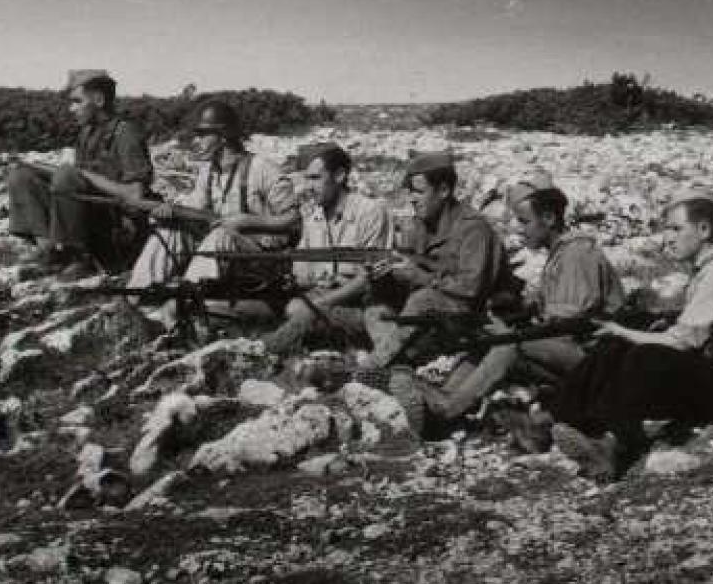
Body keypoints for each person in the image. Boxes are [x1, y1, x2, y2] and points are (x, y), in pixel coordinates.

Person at [540, 186, 713, 480]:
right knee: (615, 347)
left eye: (676, 228)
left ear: (703, 229)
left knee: (646, 355)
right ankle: (555, 420)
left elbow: (683, 342)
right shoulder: (707, 271)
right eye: (667, 229)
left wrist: (623, 331)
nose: (668, 237)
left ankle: (615, 445)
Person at [418, 180, 627, 440]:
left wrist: (515, 329)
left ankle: (446, 412)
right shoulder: (560, 254)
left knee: (509, 344)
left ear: (549, 219)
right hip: (569, 348)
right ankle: (444, 396)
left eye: (525, 221)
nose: (519, 229)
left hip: (591, 357)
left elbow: (569, 322)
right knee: (491, 337)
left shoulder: (577, 254)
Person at [124, 100, 302, 324]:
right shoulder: (208, 171)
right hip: (226, 254)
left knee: (222, 234)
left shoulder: (263, 169)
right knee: (172, 231)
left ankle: (181, 304)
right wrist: (169, 211)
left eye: (202, 134)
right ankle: (136, 300)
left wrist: (248, 221)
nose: (196, 141)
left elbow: (294, 220)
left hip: (263, 258)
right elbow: (196, 209)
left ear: (224, 136)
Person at [362, 150, 509, 370]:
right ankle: (397, 362)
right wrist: (383, 275)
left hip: (468, 317)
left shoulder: (474, 228)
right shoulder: (417, 225)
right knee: (376, 309)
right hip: (425, 315)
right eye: (410, 192)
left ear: (443, 190)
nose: (411, 199)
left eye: (419, 192)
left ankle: (371, 368)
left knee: (423, 299)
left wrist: (421, 277)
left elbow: (471, 289)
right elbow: (407, 277)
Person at [6, 70, 154, 276]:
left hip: (117, 227)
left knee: (66, 175)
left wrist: (83, 176)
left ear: (99, 100)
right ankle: (50, 250)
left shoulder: (126, 133)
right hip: (91, 218)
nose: (71, 109)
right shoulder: (87, 133)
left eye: (77, 101)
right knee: (21, 175)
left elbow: (135, 194)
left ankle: (79, 257)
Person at [260, 142, 394, 355]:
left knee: (303, 312)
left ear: (340, 176)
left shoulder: (370, 211)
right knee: (281, 307)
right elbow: (302, 274)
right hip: (325, 298)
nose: (308, 187)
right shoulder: (314, 216)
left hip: (364, 306)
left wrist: (320, 301)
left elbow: (367, 280)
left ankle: (262, 352)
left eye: (315, 178)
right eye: (306, 178)